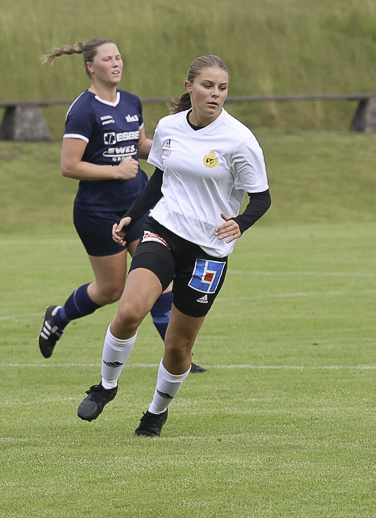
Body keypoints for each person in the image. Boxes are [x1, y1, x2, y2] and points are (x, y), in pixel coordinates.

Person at [76, 55, 271, 437]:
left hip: (208, 252)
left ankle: (156, 412)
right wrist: (132, 215)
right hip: (163, 230)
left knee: (179, 347)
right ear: (189, 87)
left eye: (222, 88)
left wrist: (240, 223)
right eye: (207, 86)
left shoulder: (240, 140)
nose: (215, 94)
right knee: (129, 311)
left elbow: (261, 198)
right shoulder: (169, 127)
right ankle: (106, 387)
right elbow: (159, 178)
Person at [38, 38, 206, 373]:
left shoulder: (131, 101)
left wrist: (178, 152)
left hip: (139, 206)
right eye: (108, 59)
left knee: (160, 278)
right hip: (97, 212)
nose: (116, 63)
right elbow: (69, 165)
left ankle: (179, 358)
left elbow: (139, 144)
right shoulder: (83, 110)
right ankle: (58, 316)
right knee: (111, 289)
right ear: (90, 66)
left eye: (118, 57)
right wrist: (115, 171)